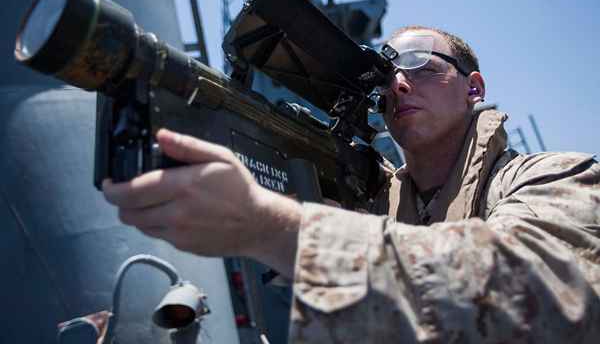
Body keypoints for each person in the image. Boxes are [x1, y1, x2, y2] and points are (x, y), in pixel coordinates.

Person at [103, 26, 600, 343]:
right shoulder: (372, 212)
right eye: (386, 75)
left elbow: (539, 292)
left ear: (474, 88)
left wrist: (276, 229)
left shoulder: (556, 177)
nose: (397, 84)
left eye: (421, 65)